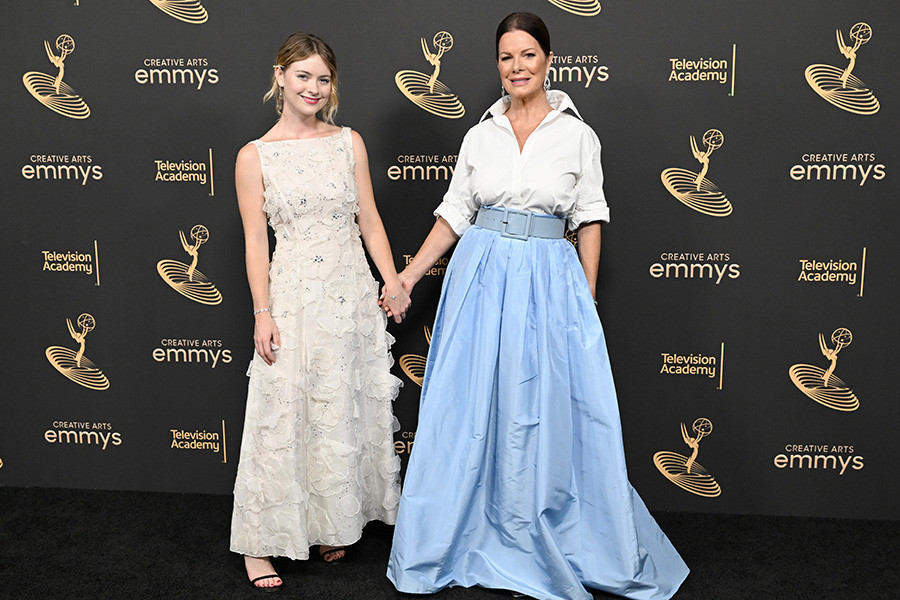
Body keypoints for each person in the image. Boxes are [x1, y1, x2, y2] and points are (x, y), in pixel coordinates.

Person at [386, 13, 689, 600]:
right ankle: (466, 532)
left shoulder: (577, 134)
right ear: (496, 64)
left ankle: (544, 527)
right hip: (481, 277)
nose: (517, 67)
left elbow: (590, 218)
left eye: (527, 55)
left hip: (551, 280)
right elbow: (454, 214)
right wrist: (408, 275)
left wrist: (586, 295)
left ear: (548, 59)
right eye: (506, 57)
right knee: (472, 405)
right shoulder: (480, 135)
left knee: (546, 406)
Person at [230, 32, 410, 592]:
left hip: (350, 297)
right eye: (303, 75)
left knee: (341, 411)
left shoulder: (348, 143)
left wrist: (392, 280)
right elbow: (256, 242)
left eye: (323, 78)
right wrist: (262, 311)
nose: (313, 88)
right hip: (292, 299)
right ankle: (259, 545)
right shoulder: (254, 155)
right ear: (280, 76)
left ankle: (336, 522)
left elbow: (371, 221)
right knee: (282, 415)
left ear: (333, 86)